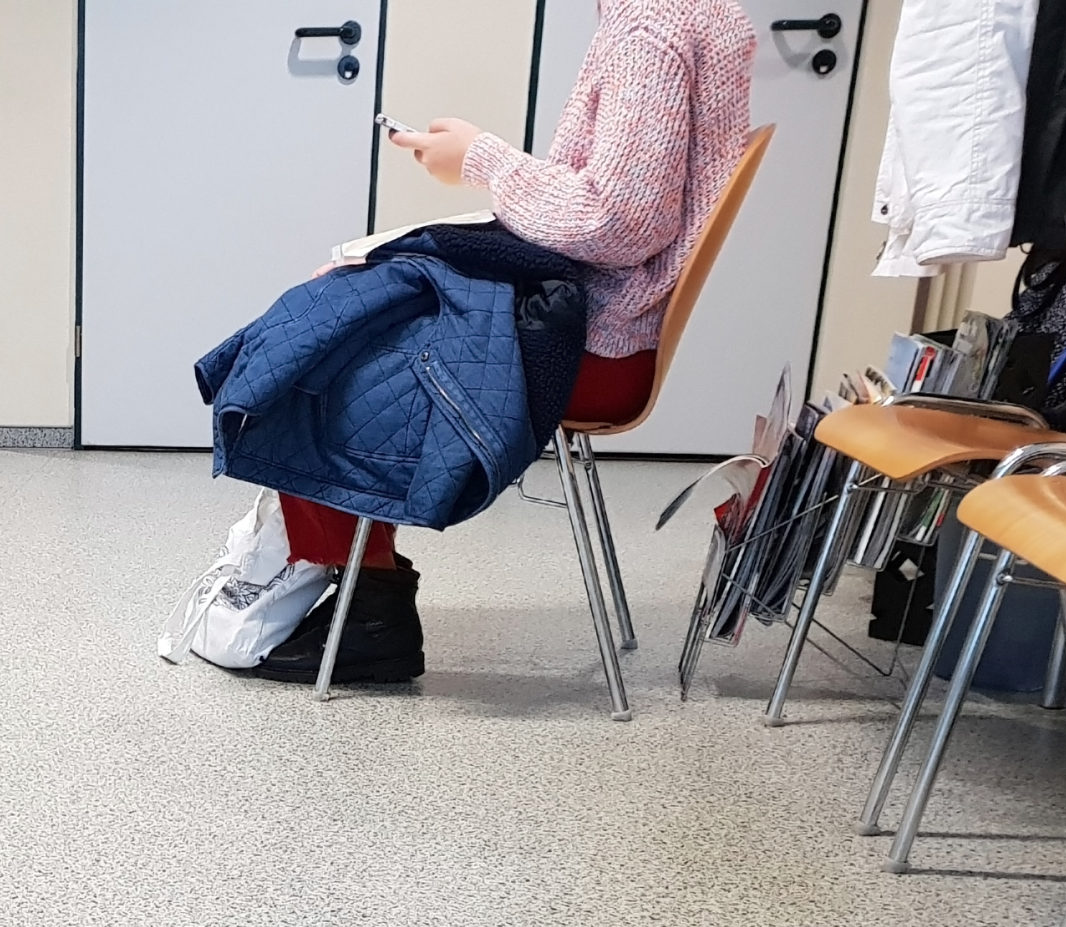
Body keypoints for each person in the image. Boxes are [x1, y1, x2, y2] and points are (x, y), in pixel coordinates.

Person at [283, 0, 756, 583]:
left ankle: (356, 603)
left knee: (318, 345)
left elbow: (617, 221)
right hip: (596, 316)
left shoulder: (650, 27)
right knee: (349, 302)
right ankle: (357, 592)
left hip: (587, 337)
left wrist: (484, 159)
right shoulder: (693, 14)